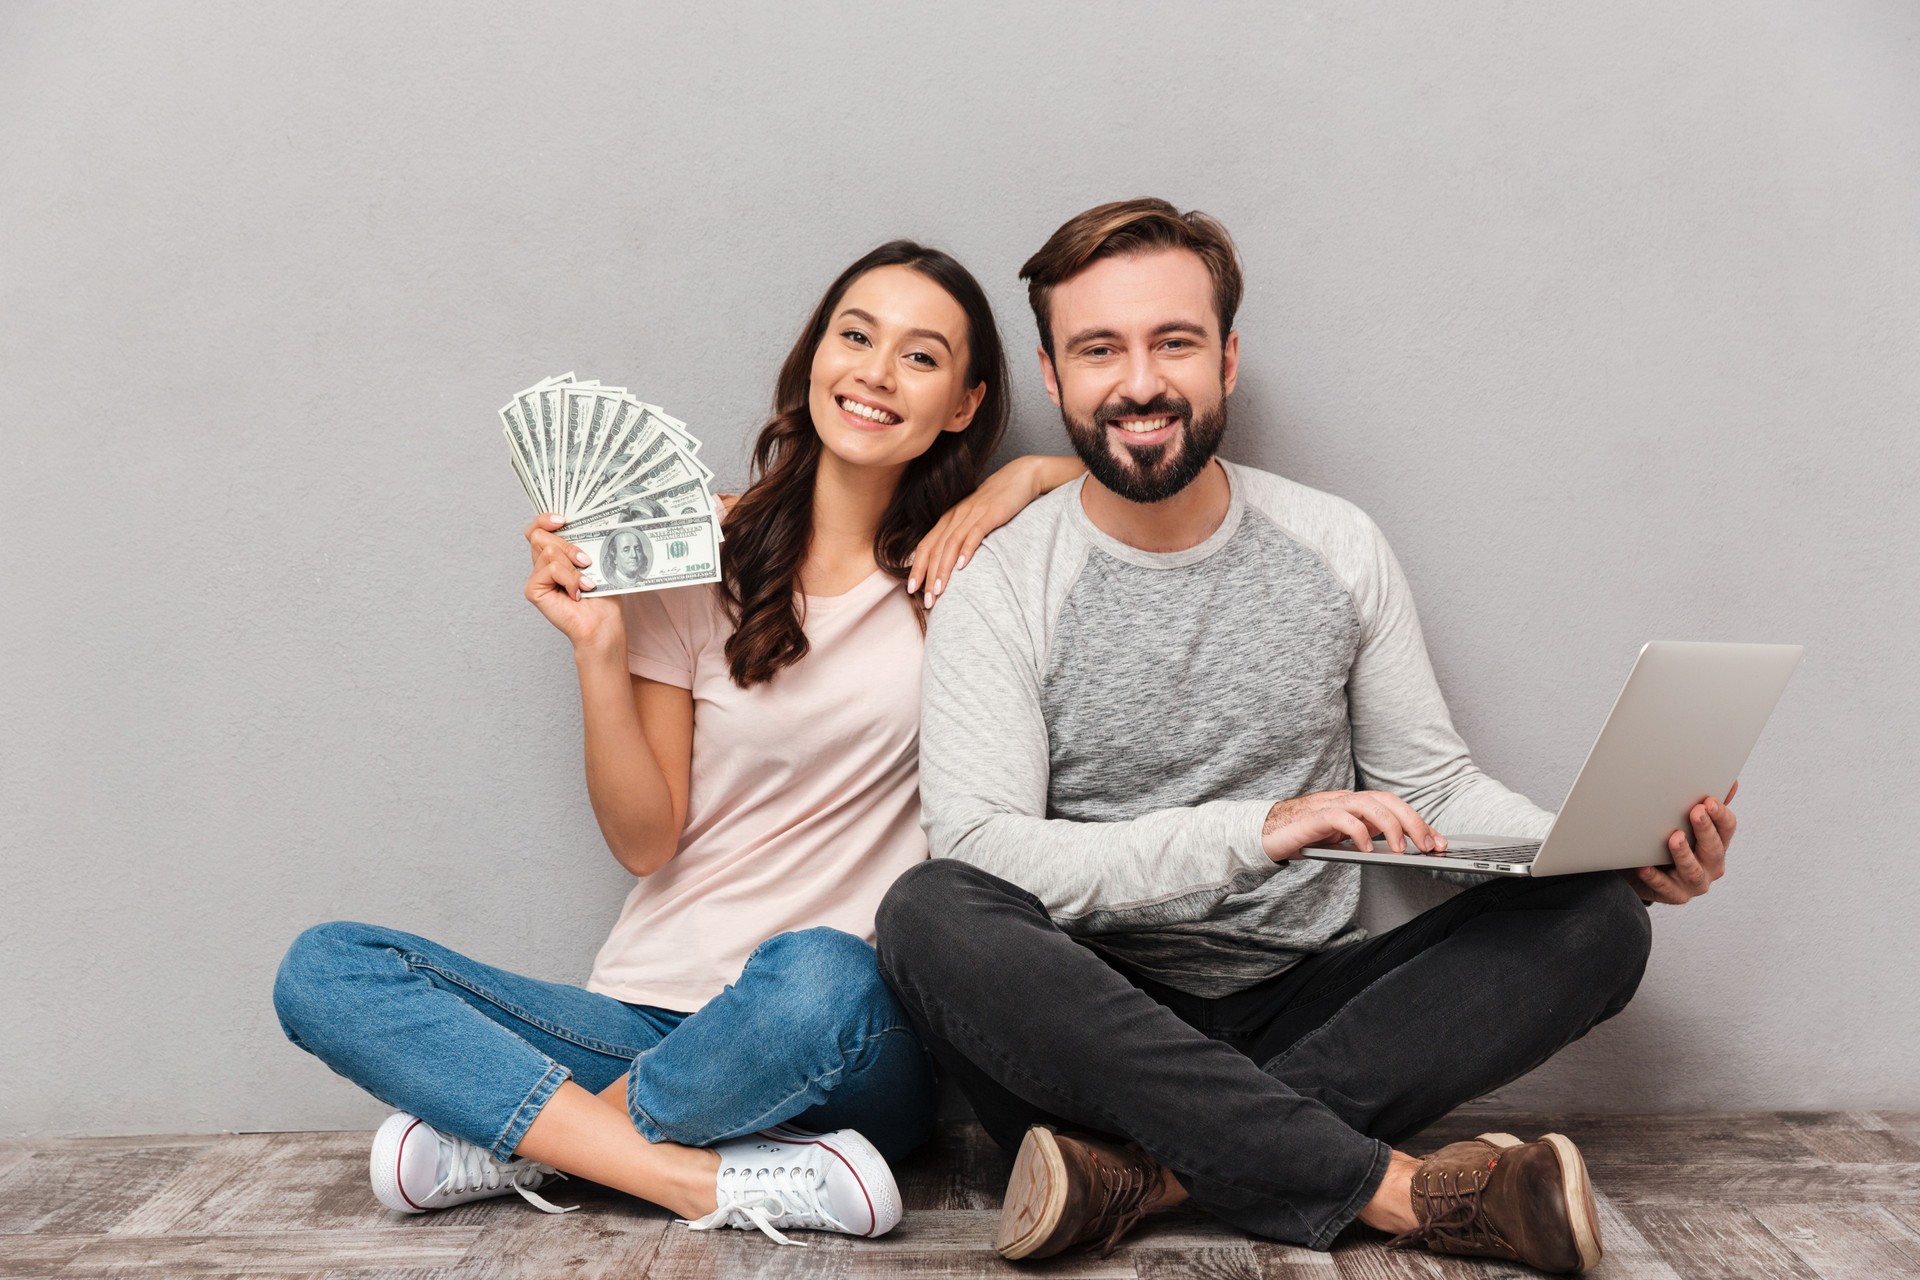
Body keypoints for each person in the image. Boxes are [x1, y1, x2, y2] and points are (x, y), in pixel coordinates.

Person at [874, 200, 1742, 1275]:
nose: (1140, 381)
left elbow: (1435, 783)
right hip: (1090, 1029)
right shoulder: (1004, 583)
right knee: (929, 910)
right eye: (1101, 349)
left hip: (1312, 1004)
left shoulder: (1335, 543)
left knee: (1601, 924)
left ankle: (1147, 1173)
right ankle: (1403, 1189)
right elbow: (987, 850)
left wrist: (1600, 844)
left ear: (1227, 358)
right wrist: (1260, 829)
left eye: (1174, 341)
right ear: (1055, 377)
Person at [272, 240, 1085, 1246]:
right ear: (813, 359)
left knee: (822, 970)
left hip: (843, 1028)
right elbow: (648, 839)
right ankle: (698, 1176)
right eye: (856, 335)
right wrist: (599, 648)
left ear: (965, 402)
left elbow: (1168, 473)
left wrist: (1028, 477)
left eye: (922, 358)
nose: (876, 371)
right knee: (325, 966)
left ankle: (538, 1141)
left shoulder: (973, 568)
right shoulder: (701, 554)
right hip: (646, 1016)